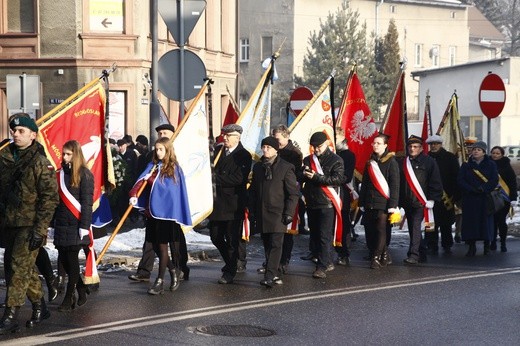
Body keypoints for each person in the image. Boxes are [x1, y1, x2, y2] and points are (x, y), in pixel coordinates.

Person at [0, 114, 59, 333]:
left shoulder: (40, 162)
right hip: (8, 223)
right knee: (21, 268)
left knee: (17, 268)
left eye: (21, 131)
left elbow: (49, 199)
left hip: (30, 224)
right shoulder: (4, 157)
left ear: (33, 135)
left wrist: (41, 229)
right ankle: (39, 306)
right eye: (14, 131)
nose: (15, 134)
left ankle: (10, 315)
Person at [128, 124, 191, 282]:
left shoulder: (179, 153)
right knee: (151, 240)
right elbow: (143, 177)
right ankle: (144, 270)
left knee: (175, 240)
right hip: (153, 207)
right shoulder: (153, 157)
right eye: (160, 133)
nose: (162, 134)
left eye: (165, 132)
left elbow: (174, 185)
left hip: (171, 208)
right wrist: (135, 193)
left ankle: (179, 267)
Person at [249, 136, 299, 287]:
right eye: (263, 147)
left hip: (278, 212)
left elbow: (293, 193)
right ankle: (275, 272)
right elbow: (253, 190)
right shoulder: (258, 167)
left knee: (276, 244)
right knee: (267, 244)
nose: (265, 150)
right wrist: (251, 209)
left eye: (268, 147)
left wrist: (289, 213)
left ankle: (269, 275)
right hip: (262, 212)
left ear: (276, 150)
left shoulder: (286, 167)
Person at [53, 140, 94, 311]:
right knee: (63, 259)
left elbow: (86, 203)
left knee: (71, 259)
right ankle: (82, 288)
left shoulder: (85, 174)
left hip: (76, 223)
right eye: (63, 154)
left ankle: (69, 297)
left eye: (68, 154)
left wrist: (84, 226)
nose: (64, 157)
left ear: (76, 155)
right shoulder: (61, 174)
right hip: (62, 223)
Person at [209, 124, 252, 284]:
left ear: (238, 137)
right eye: (224, 135)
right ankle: (231, 263)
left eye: (229, 135)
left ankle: (230, 270)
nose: (225, 138)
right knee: (215, 236)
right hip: (217, 203)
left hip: (233, 204)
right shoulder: (219, 152)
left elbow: (238, 179)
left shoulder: (244, 155)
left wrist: (215, 179)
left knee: (232, 239)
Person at [302, 131, 345, 279]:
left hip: (326, 202)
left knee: (324, 235)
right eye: (313, 147)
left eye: (319, 146)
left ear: (326, 143)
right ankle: (323, 259)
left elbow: (338, 179)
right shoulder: (308, 159)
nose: (316, 149)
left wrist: (316, 177)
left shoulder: (336, 160)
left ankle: (322, 266)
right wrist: (304, 173)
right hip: (312, 201)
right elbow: (301, 177)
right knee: (314, 235)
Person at [399, 135, 442, 265]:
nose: (412, 149)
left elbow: (435, 181)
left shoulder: (429, 162)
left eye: (415, 146)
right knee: (413, 228)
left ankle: (414, 254)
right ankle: (421, 251)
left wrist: (433, 199)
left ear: (421, 148)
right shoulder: (403, 161)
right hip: (407, 201)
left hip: (420, 201)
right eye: (410, 146)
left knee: (416, 227)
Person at [359, 133, 400, 269]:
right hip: (370, 201)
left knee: (381, 229)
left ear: (385, 146)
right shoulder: (370, 162)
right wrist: (361, 203)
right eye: (374, 143)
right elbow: (365, 184)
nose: (375, 145)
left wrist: (393, 205)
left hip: (384, 202)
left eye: (378, 143)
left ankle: (376, 257)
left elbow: (395, 185)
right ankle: (384, 254)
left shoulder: (391, 162)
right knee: (370, 230)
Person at [271, 124, 303, 273]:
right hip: (273, 195)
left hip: (287, 194)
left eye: (278, 139)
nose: (276, 142)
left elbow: (293, 175)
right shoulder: (272, 150)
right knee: (273, 230)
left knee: (287, 230)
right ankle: (272, 261)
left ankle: (284, 260)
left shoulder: (294, 153)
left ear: (287, 136)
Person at [458, 141, 499, 256]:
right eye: (474, 149)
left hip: (484, 198)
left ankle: (487, 245)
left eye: (478, 149)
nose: (475, 151)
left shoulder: (491, 164)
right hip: (470, 198)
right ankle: (471, 246)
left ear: (484, 152)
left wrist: (483, 188)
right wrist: (470, 189)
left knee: (485, 223)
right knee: (470, 223)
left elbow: (494, 180)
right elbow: (460, 180)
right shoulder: (466, 165)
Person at [425, 134, 461, 254]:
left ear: (441, 144)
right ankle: (431, 244)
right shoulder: (426, 158)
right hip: (430, 196)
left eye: (436, 143)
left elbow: (456, 177)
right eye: (431, 144)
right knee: (430, 222)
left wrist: (455, 195)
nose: (434, 146)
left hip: (447, 196)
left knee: (446, 223)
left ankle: (447, 244)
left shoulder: (450, 157)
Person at [334, 128, 356, 266]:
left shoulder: (348, 155)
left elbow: (347, 176)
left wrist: (331, 179)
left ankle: (344, 252)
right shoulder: (330, 153)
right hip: (328, 193)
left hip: (342, 192)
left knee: (343, 223)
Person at [490, 146, 517, 252]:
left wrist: (513, 198)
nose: (495, 155)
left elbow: (512, 184)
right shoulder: (487, 165)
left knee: (501, 221)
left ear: (502, 154)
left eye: (497, 153)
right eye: (493, 153)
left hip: (503, 198)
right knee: (492, 221)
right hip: (490, 197)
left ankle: (503, 242)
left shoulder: (507, 166)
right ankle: (492, 241)